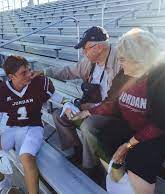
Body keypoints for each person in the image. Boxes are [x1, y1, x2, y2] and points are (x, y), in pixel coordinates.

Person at [73, 28, 165, 193]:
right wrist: (91, 112)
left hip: (162, 132)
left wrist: (129, 144)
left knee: (139, 156)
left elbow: (163, 122)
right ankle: (119, 181)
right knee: (102, 136)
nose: (120, 62)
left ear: (139, 58)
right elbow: (112, 101)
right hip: (135, 126)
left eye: (123, 59)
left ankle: (135, 183)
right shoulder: (125, 74)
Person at [35, 26, 121, 167]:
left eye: (86, 48)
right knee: (59, 115)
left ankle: (90, 166)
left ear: (98, 47)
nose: (83, 52)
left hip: (112, 112)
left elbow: (117, 101)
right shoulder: (90, 62)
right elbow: (68, 71)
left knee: (88, 125)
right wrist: (45, 72)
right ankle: (77, 151)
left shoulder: (119, 62)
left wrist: (91, 109)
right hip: (92, 107)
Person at [0, 56, 55, 194]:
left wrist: (68, 104)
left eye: (29, 70)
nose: (29, 74)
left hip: (33, 126)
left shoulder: (39, 83)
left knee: (26, 157)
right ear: (11, 76)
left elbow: (59, 97)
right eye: (24, 73)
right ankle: (4, 184)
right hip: (11, 128)